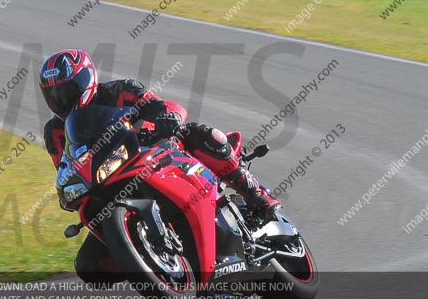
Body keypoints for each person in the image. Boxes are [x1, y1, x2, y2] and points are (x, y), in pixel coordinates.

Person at [39, 49, 281, 284]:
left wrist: (168, 118)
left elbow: (163, 106)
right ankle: (149, 260)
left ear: (85, 80)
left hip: (159, 150)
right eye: (54, 96)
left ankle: (255, 193)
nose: (61, 101)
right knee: (89, 266)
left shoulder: (121, 90)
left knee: (202, 134)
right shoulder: (54, 131)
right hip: (110, 178)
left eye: (67, 91)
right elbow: (66, 166)